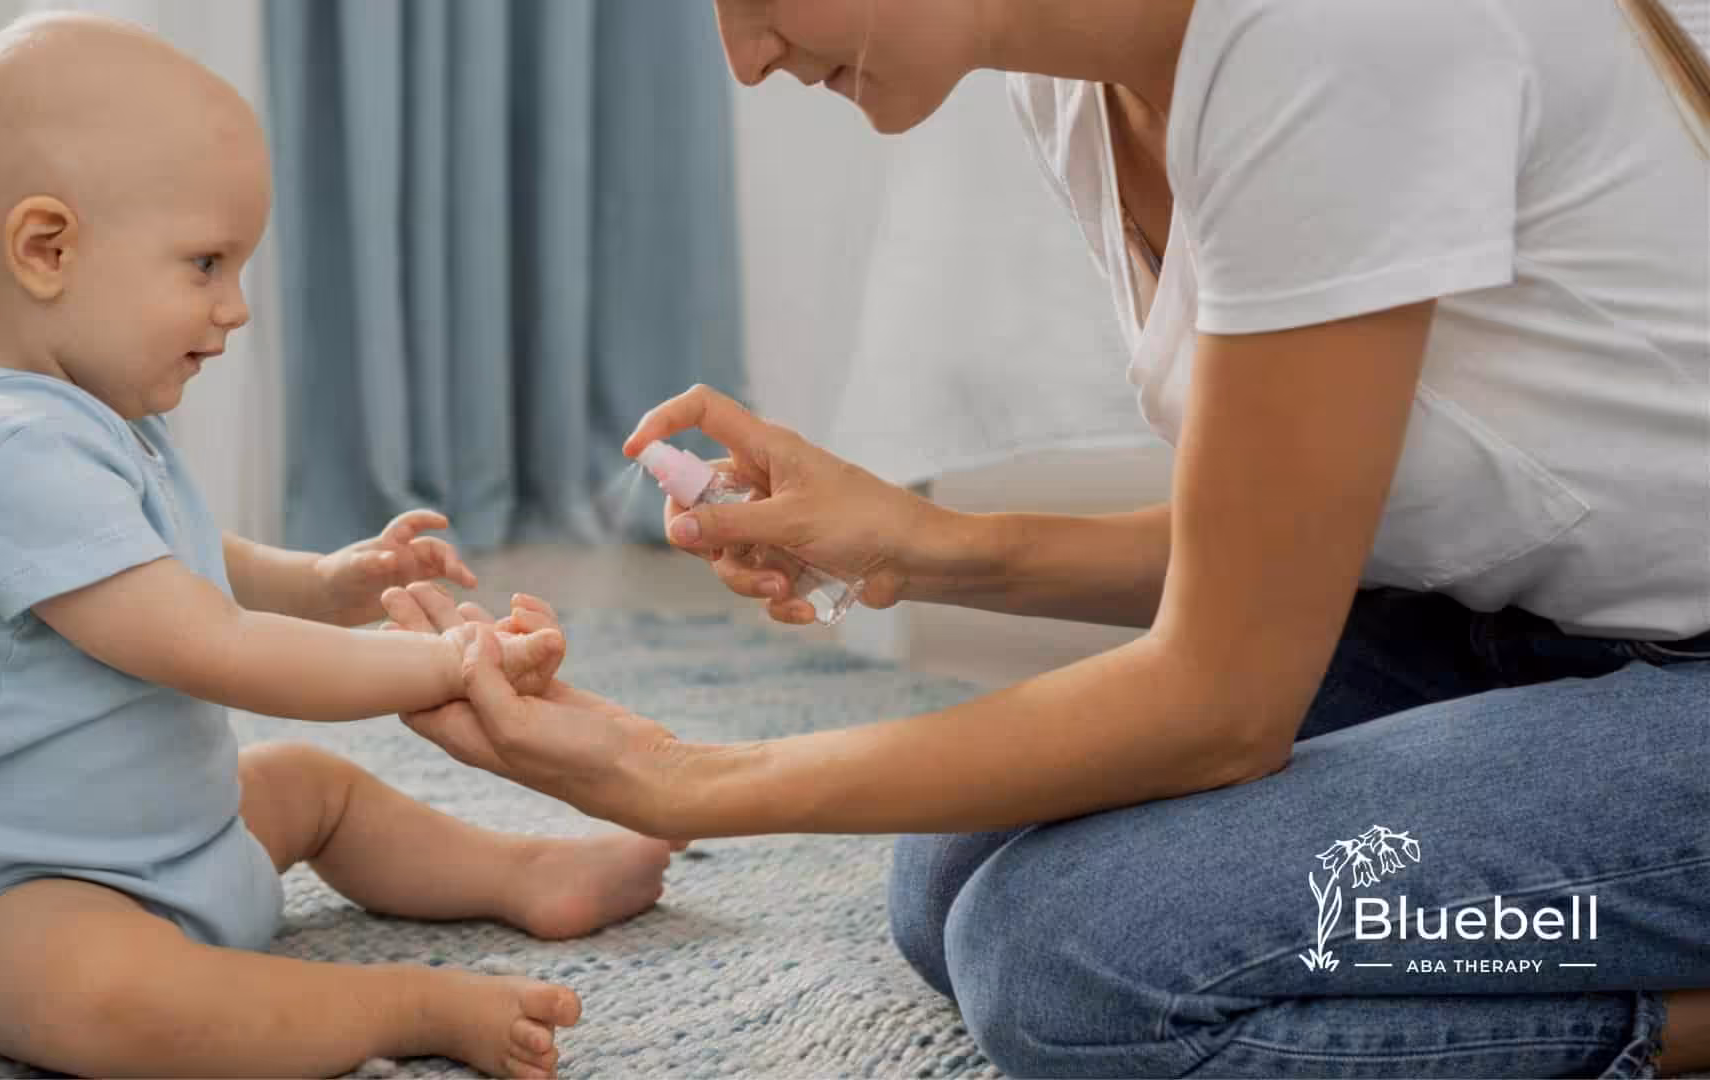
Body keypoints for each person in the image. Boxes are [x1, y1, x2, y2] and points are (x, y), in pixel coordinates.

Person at [389, 0, 1710, 1076]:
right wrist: (920, 542)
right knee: (949, 882)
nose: (745, 58)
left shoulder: (1333, 35)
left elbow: (1221, 701)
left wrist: (681, 776)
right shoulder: (1074, 87)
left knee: (1078, 969)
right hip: (1524, 632)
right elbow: (1278, 549)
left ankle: (1663, 1023)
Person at [0, 14, 679, 1079]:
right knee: (112, 1004)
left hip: (186, 840)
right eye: (206, 263)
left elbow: (192, 560)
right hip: (30, 897)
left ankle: (519, 870)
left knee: (311, 787)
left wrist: (332, 581)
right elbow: (207, 641)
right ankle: (397, 1009)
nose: (236, 307)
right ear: (47, 250)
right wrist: (439, 664)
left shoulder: (101, 416)